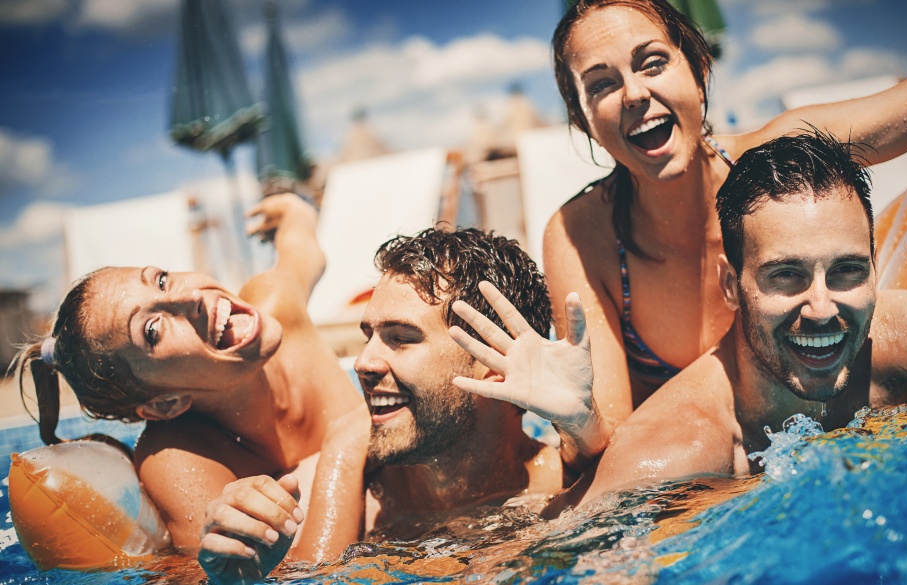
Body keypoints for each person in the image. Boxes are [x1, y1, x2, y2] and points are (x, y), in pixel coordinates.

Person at [457, 131, 907, 511]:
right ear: (729, 286)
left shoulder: (899, 340)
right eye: (785, 275)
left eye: (847, 271)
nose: (822, 308)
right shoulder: (680, 449)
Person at [544, 0, 907, 437]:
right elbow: (608, 436)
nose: (635, 93)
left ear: (699, 72)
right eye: (601, 84)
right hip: (703, 482)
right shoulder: (582, 236)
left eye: (653, 62)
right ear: (584, 122)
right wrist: (578, 424)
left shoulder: (785, 166)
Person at [197, 228, 567, 584]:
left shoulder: (571, 493)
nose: (362, 363)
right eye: (368, 336)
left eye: (401, 338)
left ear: (495, 363)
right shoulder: (326, 500)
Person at [15, 193, 368, 559]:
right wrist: (345, 447)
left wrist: (296, 210)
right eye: (152, 330)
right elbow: (267, 577)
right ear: (164, 403)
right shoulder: (177, 459)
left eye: (162, 280)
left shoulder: (276, 300)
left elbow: (304, 250)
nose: (190, 297)